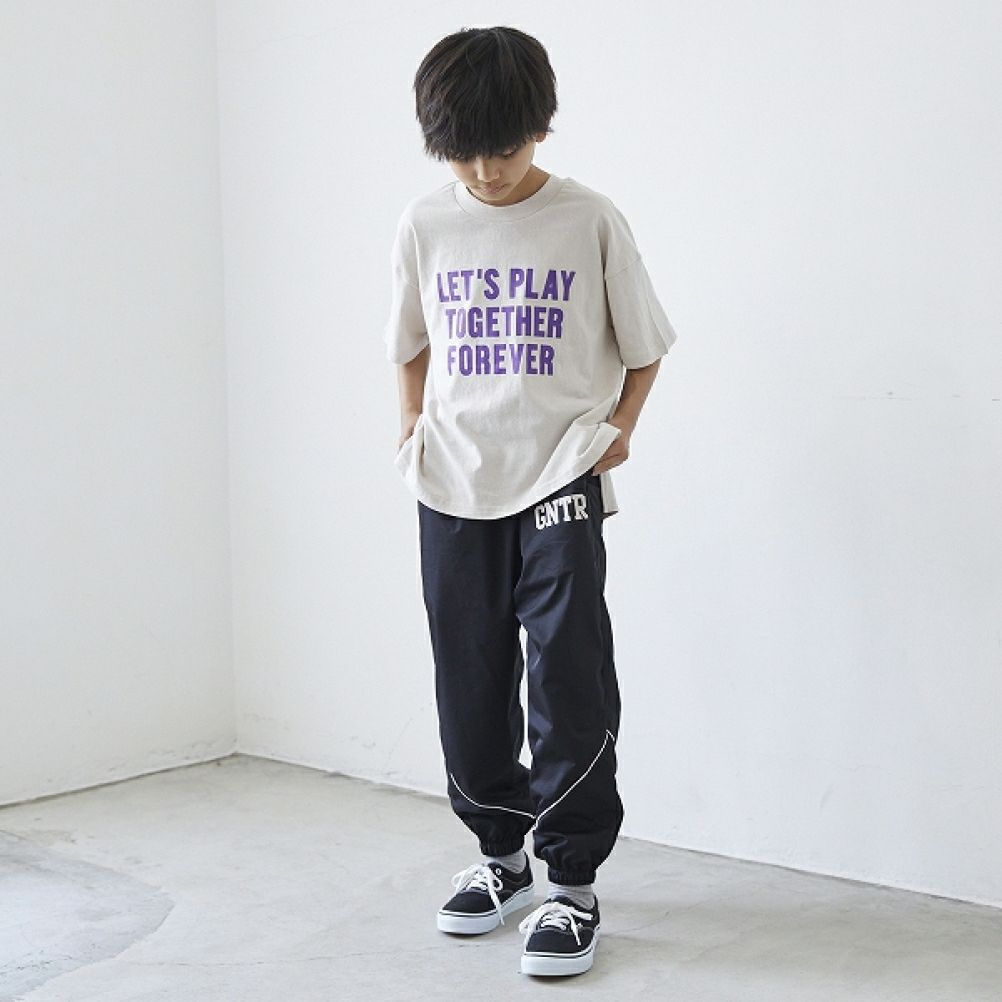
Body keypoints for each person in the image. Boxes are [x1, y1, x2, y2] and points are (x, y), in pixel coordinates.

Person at [383, 25, 677, 978]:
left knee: (567, 676)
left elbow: (646, 344)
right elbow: (411, 341)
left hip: (558, 473)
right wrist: (411, 425)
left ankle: (572, 884)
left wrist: (619, 428)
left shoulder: (589, 219)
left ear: (541, 127)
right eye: (463, 151)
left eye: (502, 147)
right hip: (450, 480)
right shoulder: (426, 223)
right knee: (467, 673)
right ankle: (501, 858)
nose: (485, 170)